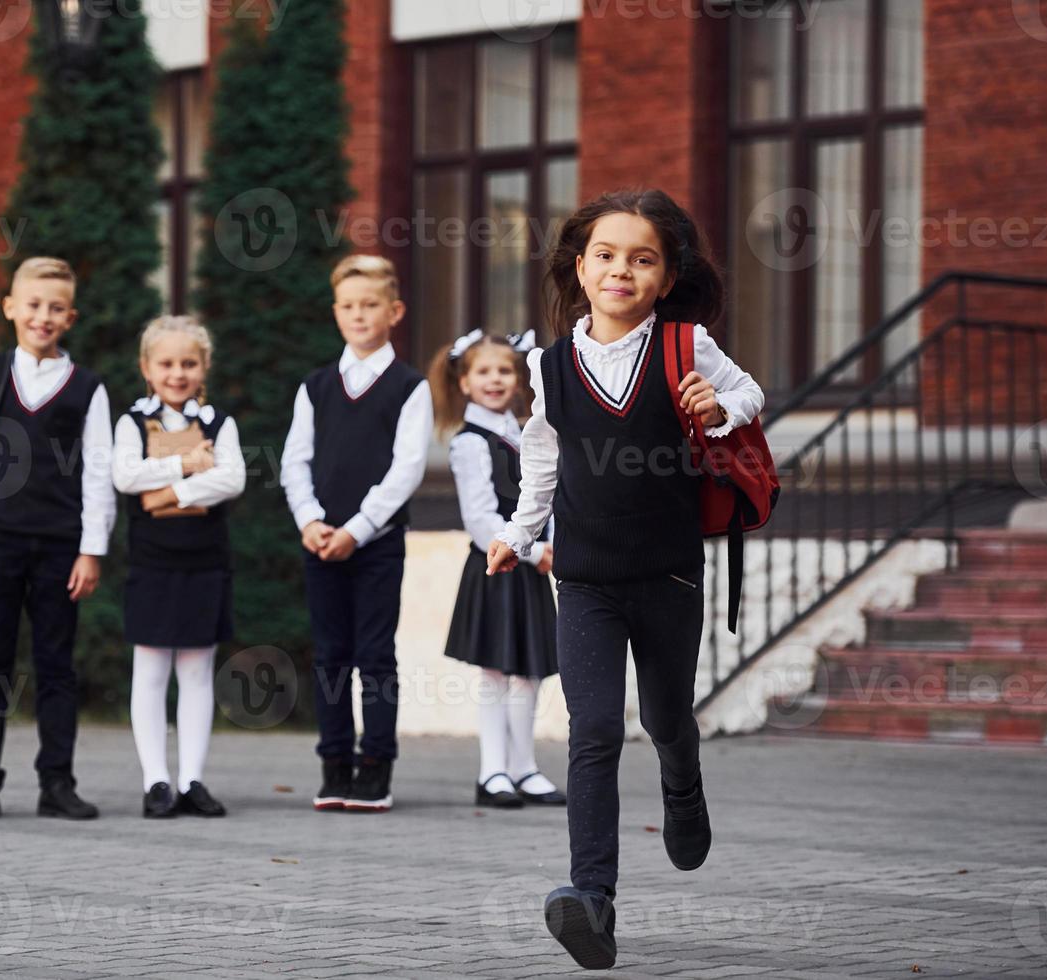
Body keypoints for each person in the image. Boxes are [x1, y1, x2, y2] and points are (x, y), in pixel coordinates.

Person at [486, 189, 765, 969]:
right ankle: (592, 900)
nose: (622, 270)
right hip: (583, 578)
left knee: (668, 717)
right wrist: (517, 533)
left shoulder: (684, 344)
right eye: (606, 255)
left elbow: (751, 394)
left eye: (643, 258)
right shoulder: (549, 364)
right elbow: (542, 456)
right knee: (595, 731)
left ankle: (684, 784)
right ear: (581, 267)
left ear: (667, 275)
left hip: (669, 571)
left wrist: (719, 408)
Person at [0, 256, 116, 823]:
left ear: (70, 317)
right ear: (11, 308)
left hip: (60, 546)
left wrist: (91, 549)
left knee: (56, 665)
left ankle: (57, 783)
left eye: (55, 308)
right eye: (32, 305)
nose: (43, 316)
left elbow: (100, 471)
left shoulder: (88, 388)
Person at [281, 254, 432, 814]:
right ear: (335, 312)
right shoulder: (316, 387)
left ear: (393, 311)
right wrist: (311, 522)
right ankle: (334, 764)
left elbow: (407, 467)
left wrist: (358, 529)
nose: (358, 315)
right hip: (321, 541)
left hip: (377, 544)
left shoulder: (409, 387)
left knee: (374, 654)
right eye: (347, 306)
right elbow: (295, 461)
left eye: (370, 305)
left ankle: (376, 766)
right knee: (329, 655)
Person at [111, 315, 245, 819]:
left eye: (188, 363)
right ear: (147, 368)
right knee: (150, 670)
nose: (177, 373)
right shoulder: (130, 422)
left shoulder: (220, 423)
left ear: (203, 366)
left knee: (196, 670)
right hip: (152, 560)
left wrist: (166, 493)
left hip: (205, 558)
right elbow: (125, 475)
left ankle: (192, 779)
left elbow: (232, 480)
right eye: (166, 363)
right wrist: (187, 465)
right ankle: (157, 782)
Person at [429, 328, 565, 810]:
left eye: (504, 370)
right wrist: (530, 551)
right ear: (464, 382)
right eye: (484, 372)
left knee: (529, 672)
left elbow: (545, 497)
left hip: (530, 566)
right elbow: (479, 518)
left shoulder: (526, 432)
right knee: (495, 672)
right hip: (496, 566)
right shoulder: (469, 442)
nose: (495, 379)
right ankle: (492, 771)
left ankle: (524, 767)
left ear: (518, 378)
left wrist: (548, 544)